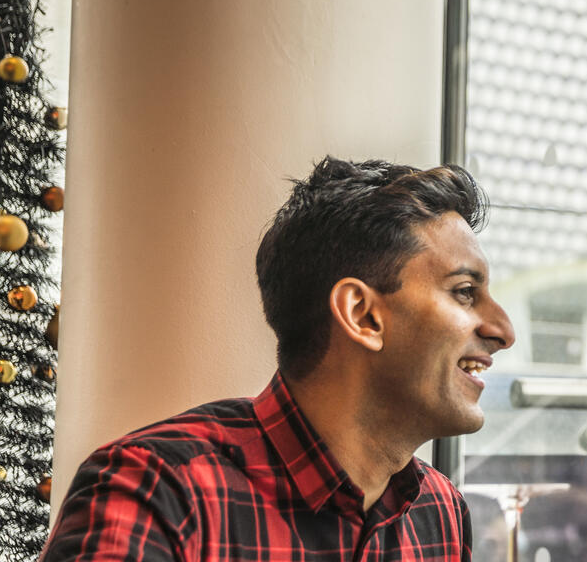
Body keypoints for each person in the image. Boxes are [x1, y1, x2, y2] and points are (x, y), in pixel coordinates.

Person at [44, 158, 515, 561]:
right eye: (464, 292)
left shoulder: (441, 513)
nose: (504, 331)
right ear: (362, 316)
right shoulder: (155, 491)